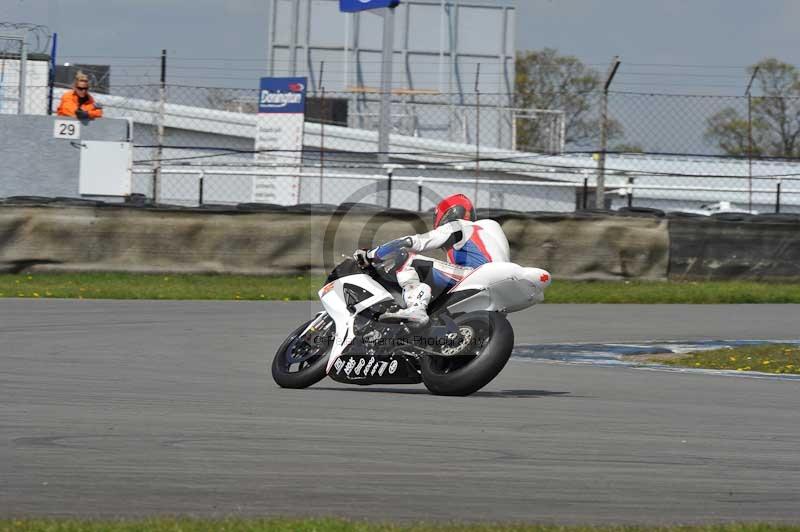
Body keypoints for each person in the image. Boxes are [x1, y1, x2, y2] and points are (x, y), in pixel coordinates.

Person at [354, 193, 510, 326]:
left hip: (474, 276)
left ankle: (416, 308)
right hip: (499, 288)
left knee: (408, 259)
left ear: (446, 215)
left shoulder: (456, 226)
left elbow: (413, 242)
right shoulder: (486, 232)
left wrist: (372, 254)